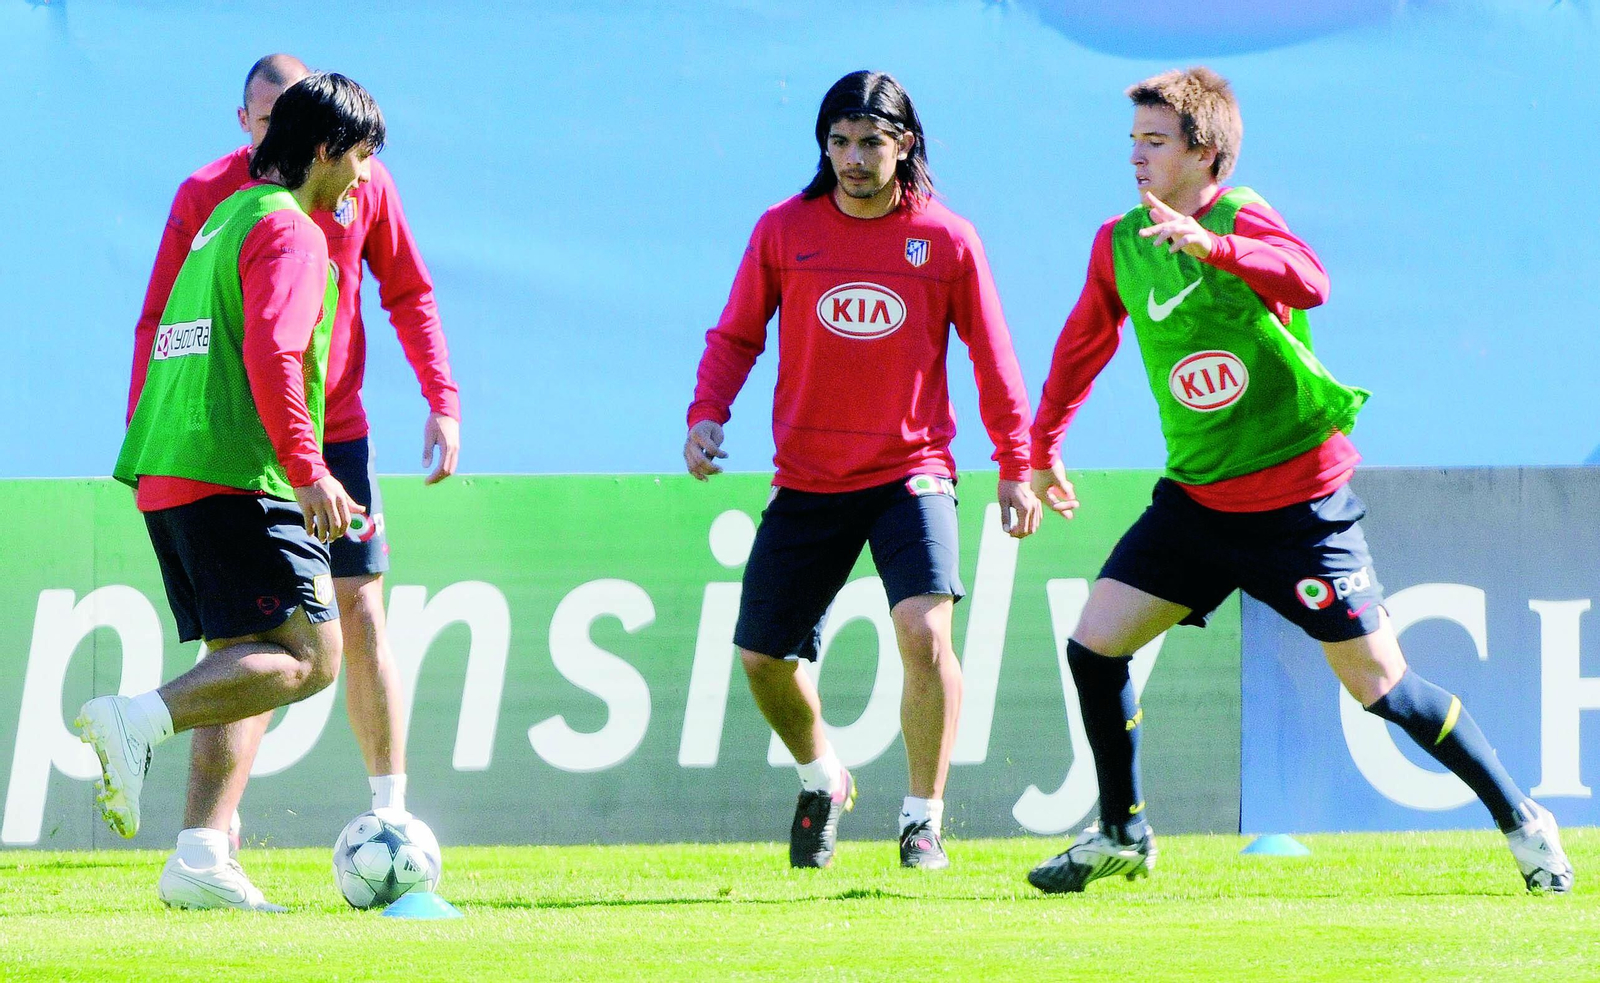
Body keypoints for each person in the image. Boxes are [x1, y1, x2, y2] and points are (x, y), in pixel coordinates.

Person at [1023, 67, 1573, 895]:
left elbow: (1311, 280)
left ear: (1206, 153)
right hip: (1197, 504)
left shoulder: (1244, 216)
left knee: (1382, 689)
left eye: (1154, 142)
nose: (1135, 156)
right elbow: (1081, 343)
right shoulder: (1120, 242)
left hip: (1300, 507)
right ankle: (1122, 831)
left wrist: (1216, 249)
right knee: (1094, 645)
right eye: (1132, 140)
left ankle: (1524, 820)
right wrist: (1042, 445)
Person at [684, 70, 1042, 870]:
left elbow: (994, 357)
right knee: (761, 660)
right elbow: (736, 336)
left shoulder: (947, 240)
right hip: (808, 478)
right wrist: (706, 415)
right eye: (839, 142)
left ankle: (923, 820)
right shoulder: (784, 231)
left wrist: (1017, 463)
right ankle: (823, 777)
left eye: (871, 143)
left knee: (922, 630)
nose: (853, 158)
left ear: (903, 144)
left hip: (912, 472)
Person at [127, 54, 461, 841]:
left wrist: (441, 399)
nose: (362, 171)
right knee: (262, 646)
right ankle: (207, 835)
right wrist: (158, 430)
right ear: (247, 121)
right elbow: (169, 323)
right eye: (269, 115)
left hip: (329, 431)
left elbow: (409, 290)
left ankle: (389, 815)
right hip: (249, 448)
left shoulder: (358, 186)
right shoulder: (240, 205)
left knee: (358, 611)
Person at [80, 72, 386, 911]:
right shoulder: (293, 233)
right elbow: (274, 356)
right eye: (360, 157)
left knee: (237, 657)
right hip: (233, 473)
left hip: (172, 470)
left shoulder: (227, 216)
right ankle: (135, 719)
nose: (364, 178)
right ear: (323, 151)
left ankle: (201, 854)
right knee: (312, 656)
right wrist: (309, 469)